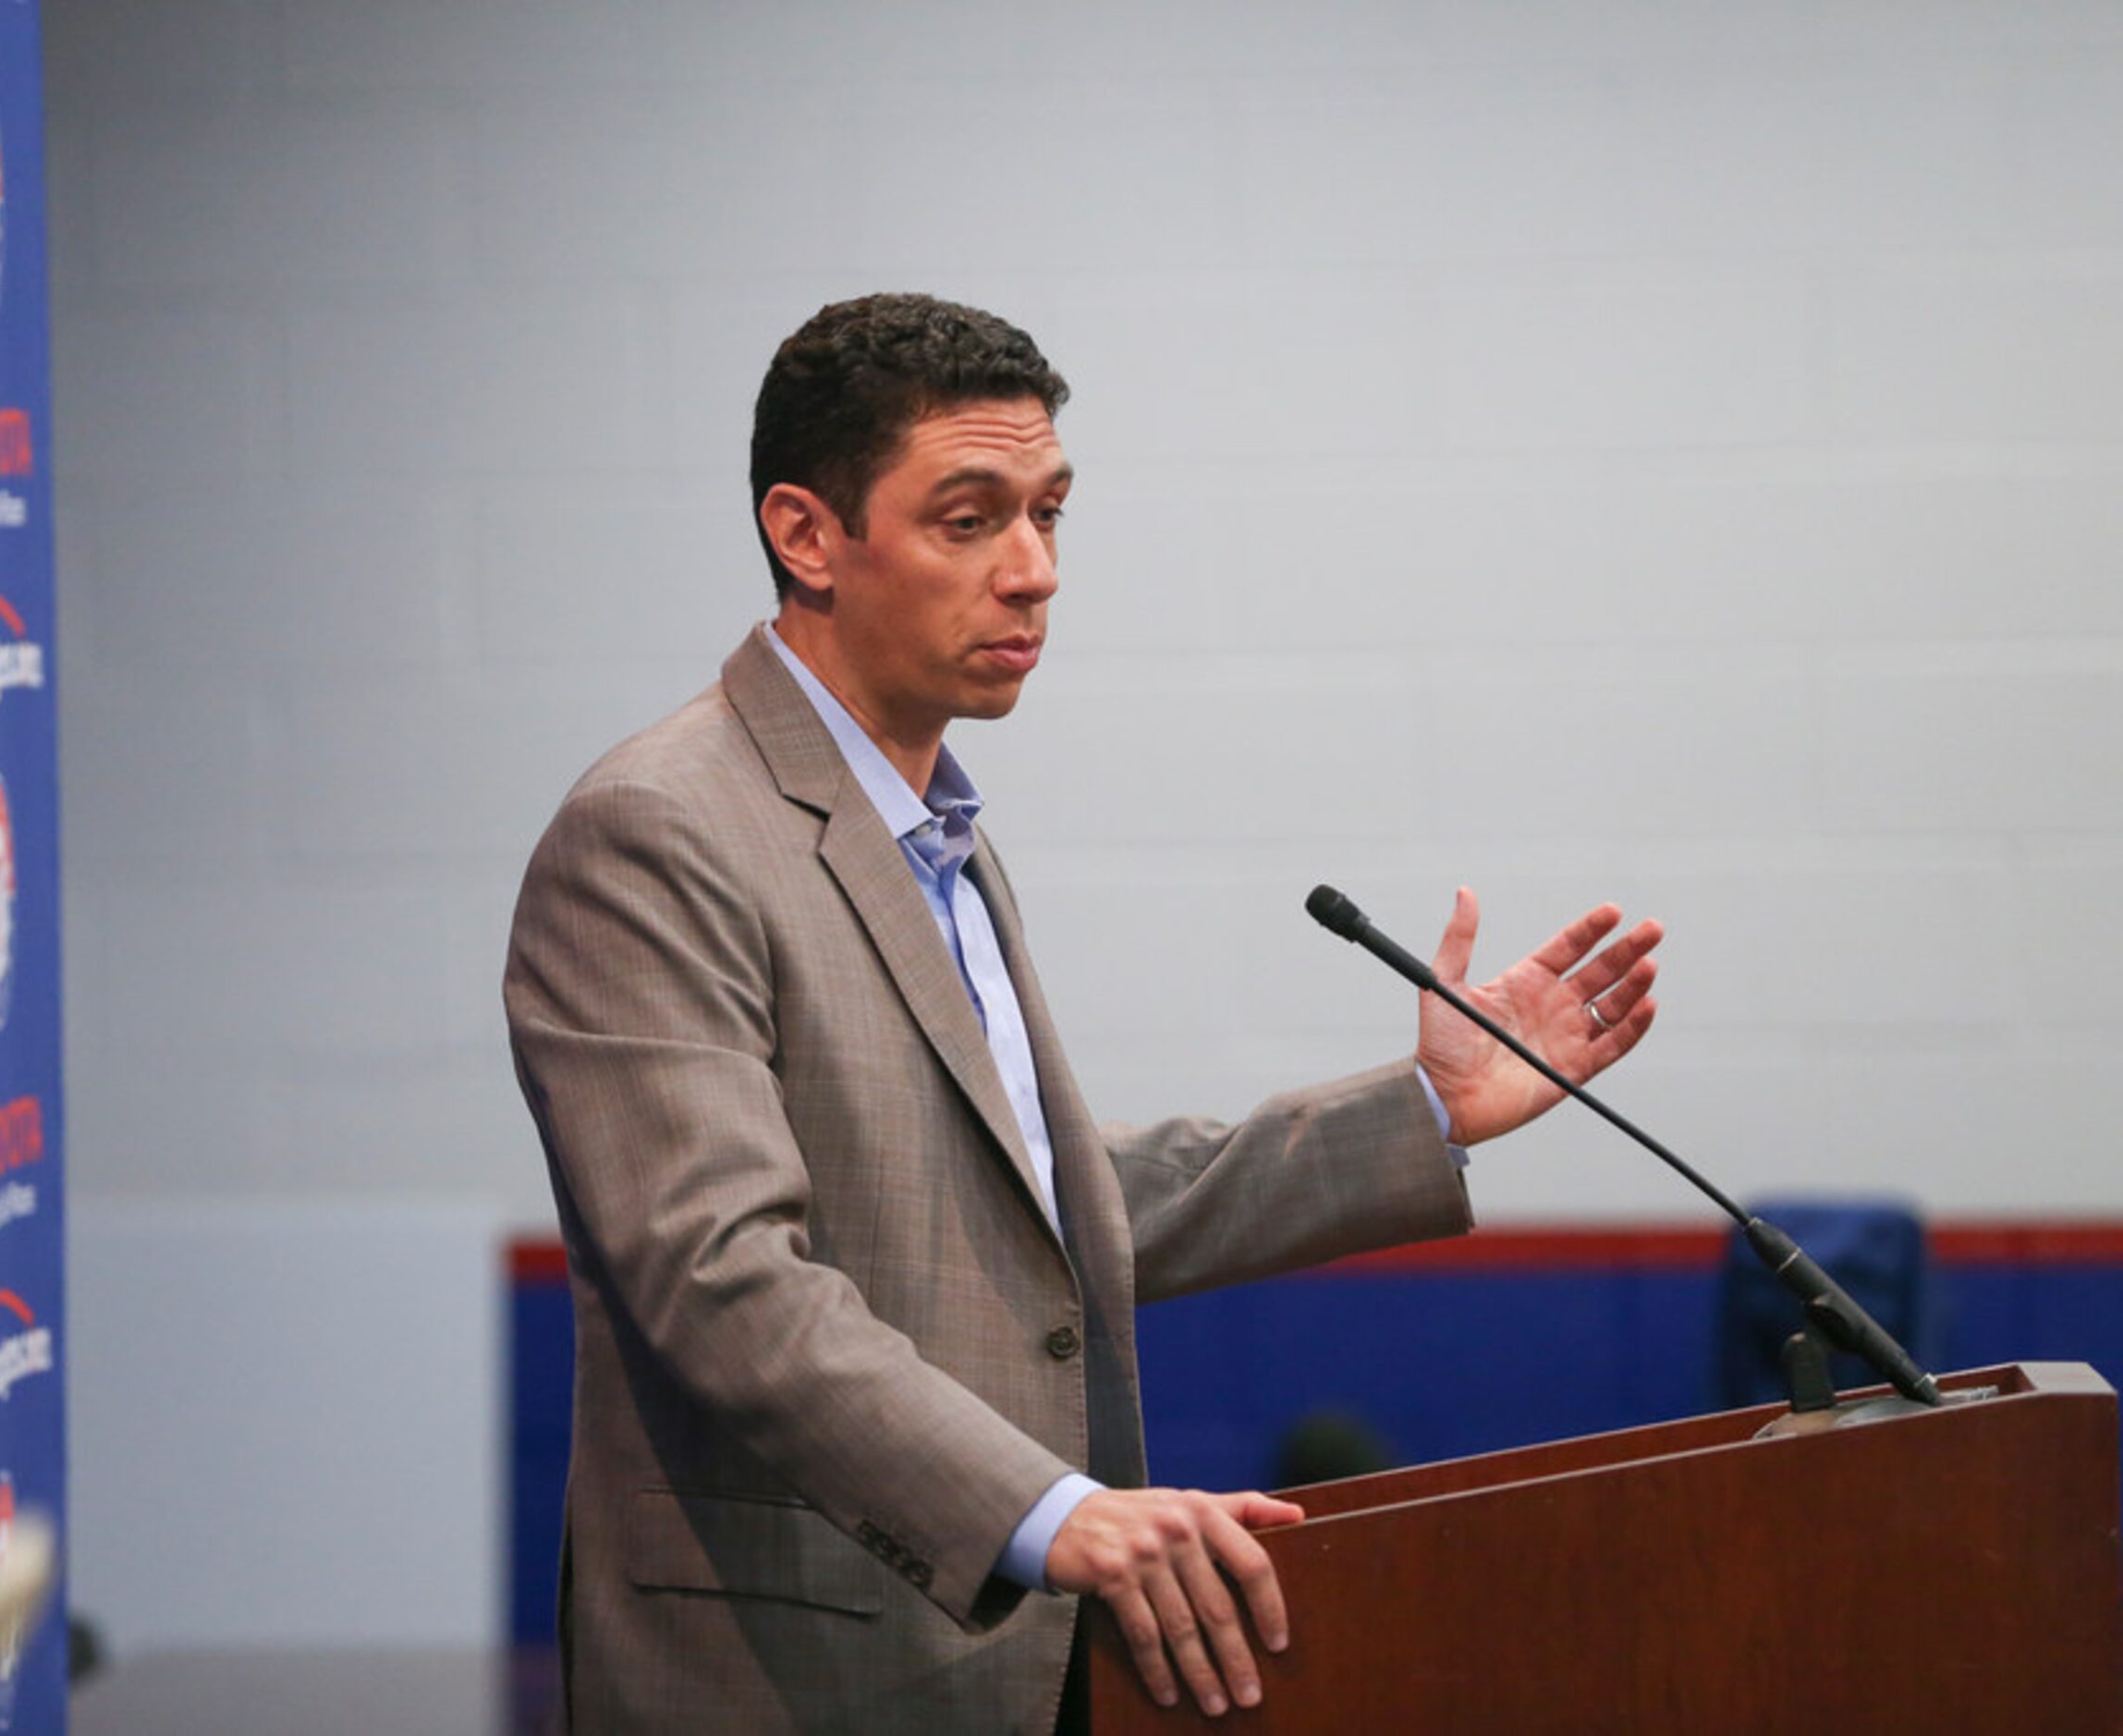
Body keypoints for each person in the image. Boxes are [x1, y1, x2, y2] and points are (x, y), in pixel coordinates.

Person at [503, 293, 1662, 1733]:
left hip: (1013, 1670)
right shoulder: (657, 830)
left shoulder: (941, 835)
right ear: (807, 535)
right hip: (791, 1679)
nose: (1035, 571)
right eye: (971, 518)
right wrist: (1052, 1511)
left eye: (1051, 512)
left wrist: (1423, 1113)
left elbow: (1042, 1210)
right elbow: (719, 1277)